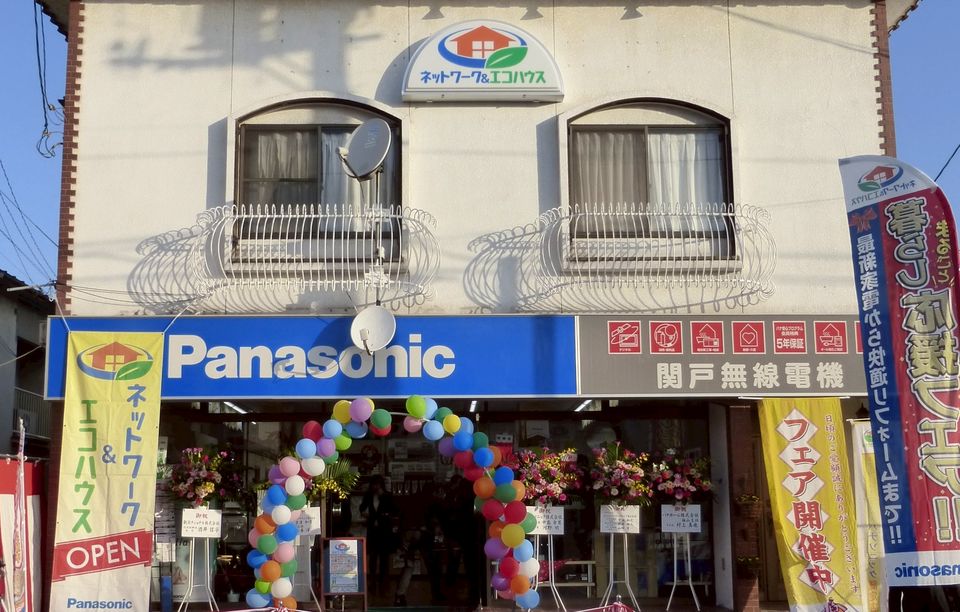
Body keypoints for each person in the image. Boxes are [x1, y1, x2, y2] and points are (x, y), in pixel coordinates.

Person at [359, 475, 396, 594]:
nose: (375, 487)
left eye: (378, 485)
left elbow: (392, 510)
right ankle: (373, 582)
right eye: (374, 485)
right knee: (373, 558)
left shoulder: (387, 496)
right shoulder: (369, 496)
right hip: (373, 530)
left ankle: (383, 583)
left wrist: (382, 498)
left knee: (384, 558)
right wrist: (366, 514)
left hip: (384, 530)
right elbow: (362, 508)